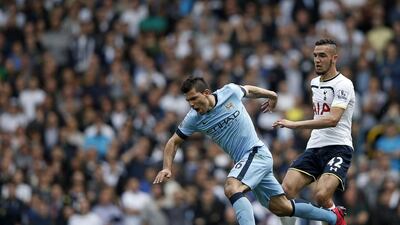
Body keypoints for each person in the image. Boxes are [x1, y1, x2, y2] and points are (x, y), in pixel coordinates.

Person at [153, 76, 346, 225]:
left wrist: (271, 94)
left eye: (194, 98)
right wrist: (167, 167)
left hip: (255, 152)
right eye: (189, 102)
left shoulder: (229, 91)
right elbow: (173, 142)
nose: (192, 105)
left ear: (206, 92)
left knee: (232, 187)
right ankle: (332, 218)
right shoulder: (193, 118)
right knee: (282, 207)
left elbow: (249, 90)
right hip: (250, 161)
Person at [273, 39, 355, 224]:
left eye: (322, 56)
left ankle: (336, 216)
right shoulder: (314, 83)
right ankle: (331, 215)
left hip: (339, 147)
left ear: (334, 58)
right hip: (314, 146)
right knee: (284, 192)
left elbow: (333, 119)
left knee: (321, 195)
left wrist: (295, 124)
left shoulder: (344, 84)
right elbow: (320, 114)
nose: (317, 60)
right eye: (315, 55)